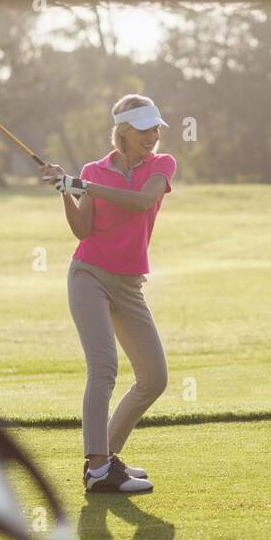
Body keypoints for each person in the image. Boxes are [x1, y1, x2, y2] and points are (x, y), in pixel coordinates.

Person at [40, 94, 177, 494]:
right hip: (89, 275)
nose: (152, 136)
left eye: (155, 128)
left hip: (130, 283)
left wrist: (82, 184)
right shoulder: (92, 170)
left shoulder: (161, 165)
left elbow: (141, 202)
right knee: (104, 368)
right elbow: (83, 231)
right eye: (144, 129)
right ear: (124, 131)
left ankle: (105, 458)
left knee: (154, 378)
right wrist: (65, 190)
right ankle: (98, 469)